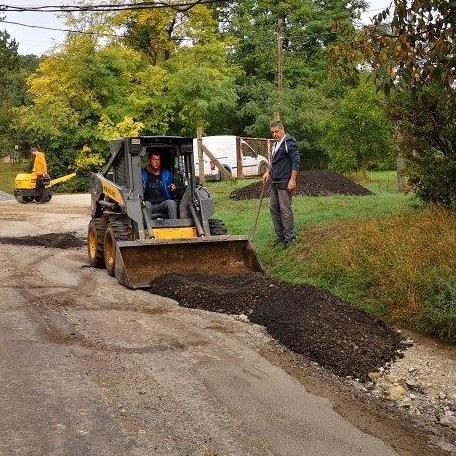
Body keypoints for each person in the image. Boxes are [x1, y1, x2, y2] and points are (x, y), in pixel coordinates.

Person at [262, 120, 300, 247]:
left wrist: (293, 180)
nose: (274, 134)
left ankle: (289, 238)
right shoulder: (275, 145)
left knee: (285, 210)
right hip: (274, 180)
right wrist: (268, 172)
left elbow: (295, 162)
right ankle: (280, 236)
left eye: (276, 132)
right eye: (272, 132)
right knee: (274, 209)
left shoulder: (289, 143)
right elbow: (274, 162)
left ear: (282, 130)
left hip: (285, 181)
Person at [141, 151, 178, 219]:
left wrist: (174, 188)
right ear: (149, 161)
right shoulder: (142, 174)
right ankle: (147, 227)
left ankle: (174, 227)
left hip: (162, 204)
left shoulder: (167, 174)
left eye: (158, 160)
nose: (157, 162)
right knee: (147, 204)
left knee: (171, 203)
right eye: (154, 160)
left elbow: (172, 191)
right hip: (149, 204)